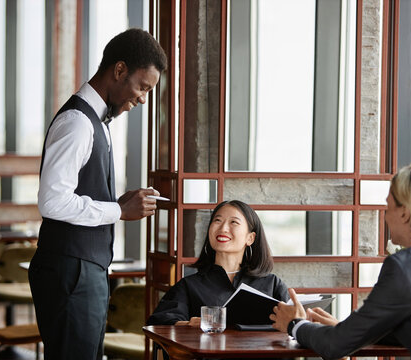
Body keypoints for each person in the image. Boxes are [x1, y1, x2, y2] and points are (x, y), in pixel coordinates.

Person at [28, 29, 167, 360]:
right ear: (119, 70)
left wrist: (119, 204)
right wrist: (118, 210)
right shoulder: (77, 122)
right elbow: (52, 201)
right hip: (71, 275)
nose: (144, 98)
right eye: (143, 87)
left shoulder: (98, 122)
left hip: (81, 271)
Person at [271, 165, 411, 360]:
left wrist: (295, 324)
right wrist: (348, 330)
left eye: (388, 206)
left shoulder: (406, 266)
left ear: (404, 213)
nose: (385, 216)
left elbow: (335, 346)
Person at [147, 200, 289, 326]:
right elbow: (160, 323)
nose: (223, 228)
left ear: (250, 238)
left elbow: (293, 326)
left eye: (233, 222)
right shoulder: (189, 286)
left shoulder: (272, 284)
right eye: (217, 221)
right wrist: (189, 324)